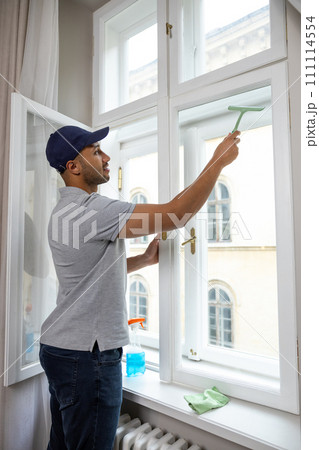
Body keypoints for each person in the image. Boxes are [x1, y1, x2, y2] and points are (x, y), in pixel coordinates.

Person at [40, 125, 240, 449]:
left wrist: (143, 261)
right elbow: (175, 214)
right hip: (87, 358)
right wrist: (217, 161)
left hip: (59, 350)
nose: (106, 157)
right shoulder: (94, 210)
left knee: (62, 445)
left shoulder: (62, 213)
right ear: (73, 167)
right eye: (96, 151)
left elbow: (88, 275)